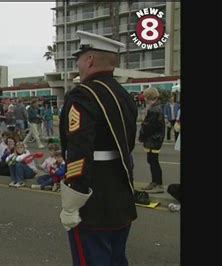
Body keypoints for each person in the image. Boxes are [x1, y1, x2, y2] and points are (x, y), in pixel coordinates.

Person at [58, 31, 137, 265]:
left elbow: (78, 151)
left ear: (90, 60)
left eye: (80, 58)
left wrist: (73, 202)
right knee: (116, 258)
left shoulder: (83, 95)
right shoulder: (124, 94)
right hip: (121, 192)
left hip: (93, 197)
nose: (78, 64)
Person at [139, 87, 166, 193]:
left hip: (153, 140)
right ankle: (155, 182)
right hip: (156, 139)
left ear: (148, 97)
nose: (144, 98)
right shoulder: (156, 107)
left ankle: (158, 184)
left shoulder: (153, 109)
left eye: (145, 96)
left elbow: (148, 127)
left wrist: (141, 136)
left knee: (153, 162)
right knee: (152, 161)